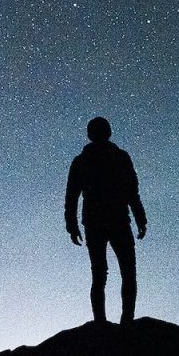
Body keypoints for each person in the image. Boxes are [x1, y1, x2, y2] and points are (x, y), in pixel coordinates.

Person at [63, 116, 147, 324]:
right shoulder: (117, 157)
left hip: (101, 221)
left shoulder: (87, 160)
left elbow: (72, 195)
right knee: (121, 272)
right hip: (111, 220)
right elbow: (131, 192)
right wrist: (140, 217)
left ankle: (108, 321)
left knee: (105, 274)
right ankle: (121, 320)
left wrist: (71, 224)